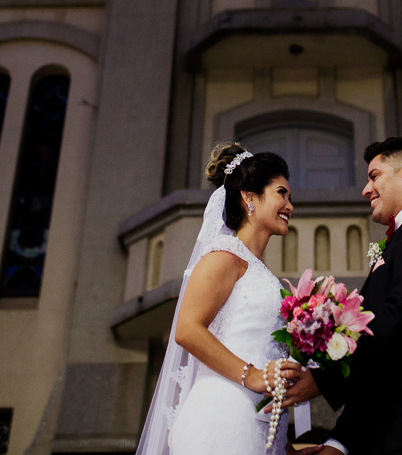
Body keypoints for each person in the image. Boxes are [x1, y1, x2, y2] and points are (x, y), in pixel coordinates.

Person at [281, 137, 402, 454]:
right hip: (387, 432)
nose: (366, 189)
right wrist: (339, 442)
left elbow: (401, 322)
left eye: (374, 176)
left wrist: (323, 381)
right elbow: (383, 362)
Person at [135, 142, 317, 455]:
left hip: (256, 426)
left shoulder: (259, 270)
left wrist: (285, 448)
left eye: (290, 197)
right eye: (281, 193)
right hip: (222, 418)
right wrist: (254, 375)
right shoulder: (224, 256)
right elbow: (187, 329)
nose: (290, 205)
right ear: (250, 197)